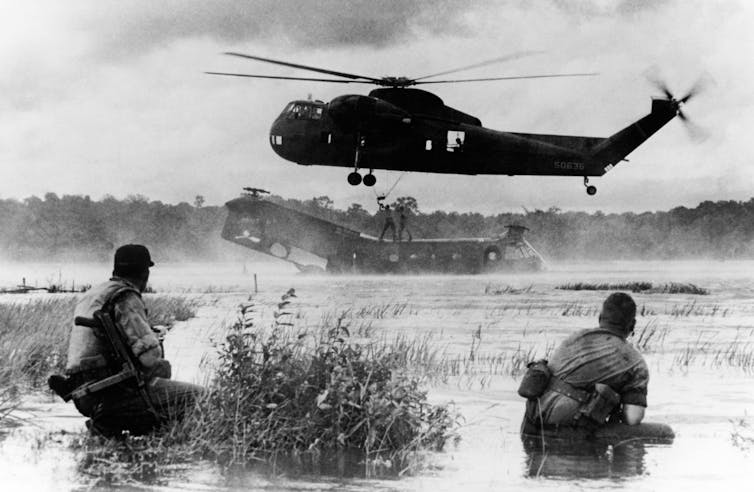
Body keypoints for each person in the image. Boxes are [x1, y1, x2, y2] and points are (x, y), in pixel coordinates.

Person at [55, 244, 205, 436]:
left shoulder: (93, 294)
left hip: (85, 395)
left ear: (115, 269)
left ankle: (113, 432)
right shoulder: (125, 296)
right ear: (145, 273)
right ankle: (171, 441)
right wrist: (156, 338)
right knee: (204, 397)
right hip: (115, 394)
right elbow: (149, 358)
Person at [520, 292, 648, 436]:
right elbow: (633, 418)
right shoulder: (636, 362)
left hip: (530, 426)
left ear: (600, 318)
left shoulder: (573, 338)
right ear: (633, 324)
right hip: (568, 432)